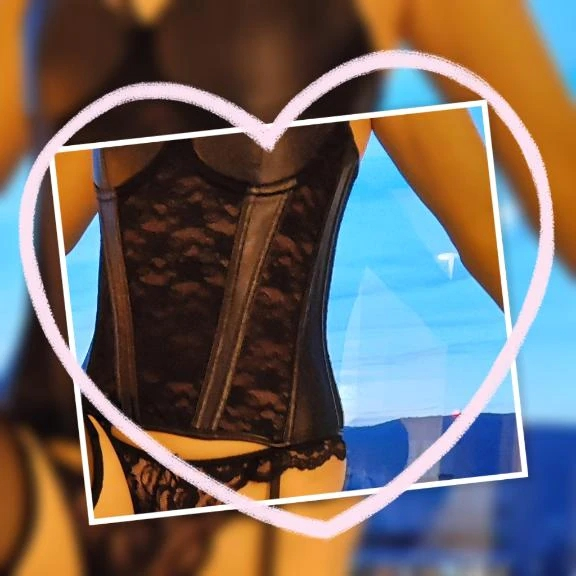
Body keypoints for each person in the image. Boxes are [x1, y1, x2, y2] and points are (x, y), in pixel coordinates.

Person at [0, 1, 573, 575]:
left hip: (268, 479)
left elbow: (508, 234)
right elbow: (45, 229)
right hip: (97, 459)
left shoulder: (381, 34)